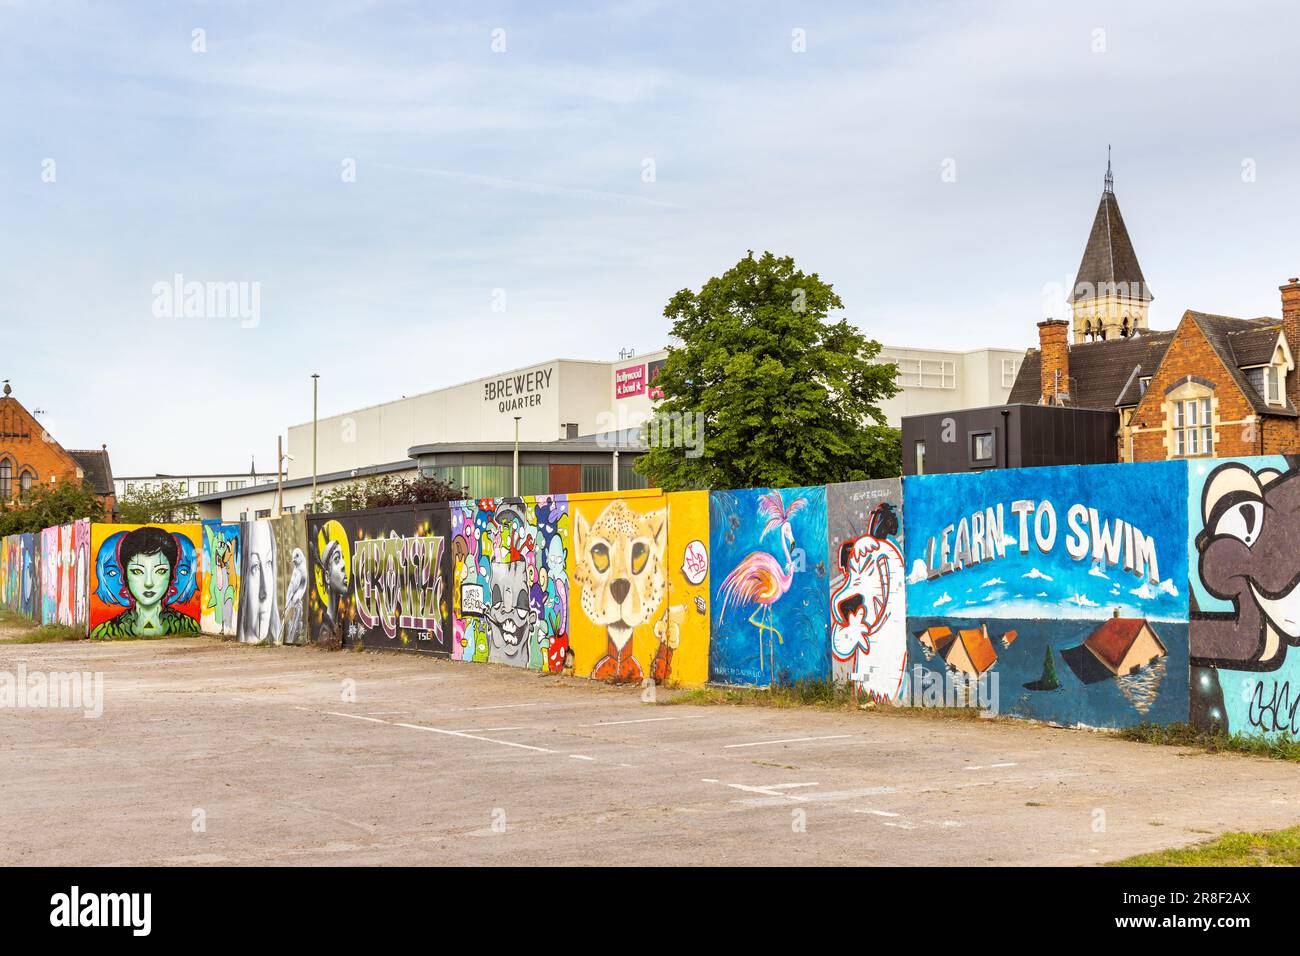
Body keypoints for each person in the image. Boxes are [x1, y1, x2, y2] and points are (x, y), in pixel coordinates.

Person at [90, 527, 199, 639]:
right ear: (125, 576)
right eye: (137, 571)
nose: (148, 583)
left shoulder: (188, 626)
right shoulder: (107, 631)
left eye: (160, 571)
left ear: (171, 575)